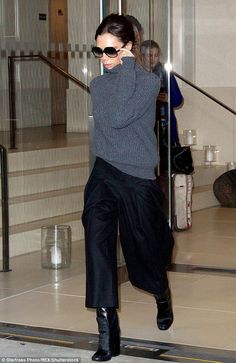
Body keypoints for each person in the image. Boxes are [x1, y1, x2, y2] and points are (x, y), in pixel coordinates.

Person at [82, 14, 174, 362]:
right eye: (98, 49)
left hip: (137, 176)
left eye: (110, 50)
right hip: (104, 173)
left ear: (129, 48)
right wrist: (124, 67)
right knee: (97, 242)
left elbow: (123, 116)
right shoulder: (100, 84)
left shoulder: (149, 83)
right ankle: (107, 330)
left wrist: (132, 68)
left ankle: (161, 293)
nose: (103, 57)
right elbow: (115, 117)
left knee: (146, 252)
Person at [141, 40, 183, 174]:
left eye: (156, 55)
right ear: (142, 56)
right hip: (144, 128)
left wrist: (167, 98)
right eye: (149, 55)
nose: (153, 59)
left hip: (165, 128)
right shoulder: (137, 74)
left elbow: (178, 100)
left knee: (166, 170)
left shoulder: (166, 73)